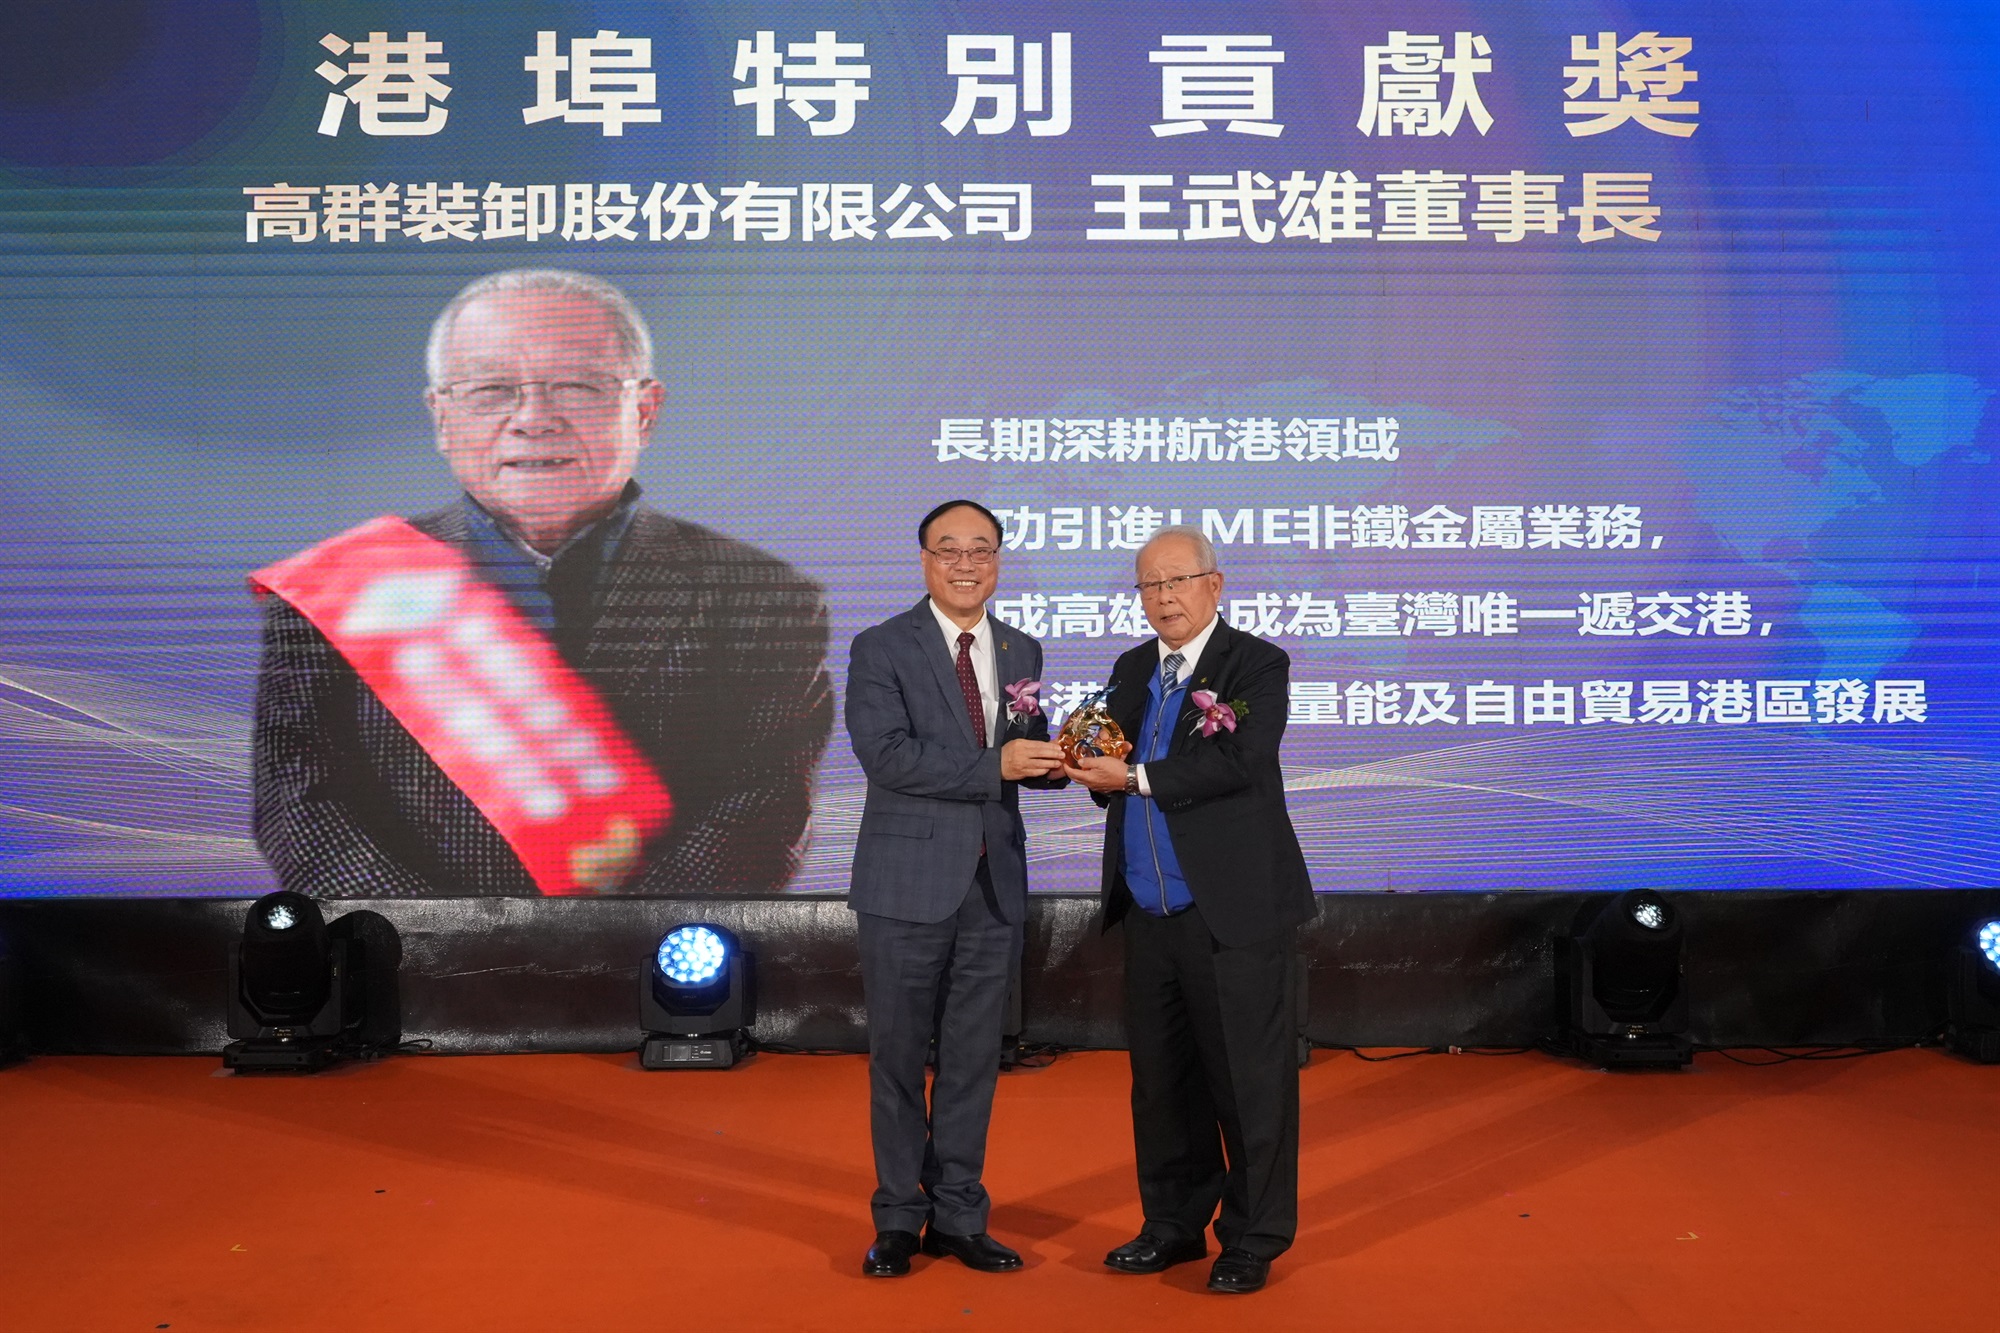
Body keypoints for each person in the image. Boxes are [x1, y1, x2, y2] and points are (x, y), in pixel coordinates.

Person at [252, 268, 831, 897]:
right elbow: (297, 801)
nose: (533, 419)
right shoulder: (342, 587)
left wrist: (609, 946)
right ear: (441, 416)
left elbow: (763, 806)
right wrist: (432, 943)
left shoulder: (763, 595)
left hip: (658, 972)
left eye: (577, 385)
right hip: (408, 967)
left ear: (644, 409)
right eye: (492, 389)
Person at [1063, 525, 1315, 1295]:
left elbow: (1240, 760)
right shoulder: (1133, 667)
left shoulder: (1256, 664)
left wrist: (1132, 775)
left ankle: (1251, 1235)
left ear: (1216, 583)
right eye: (1149, 585)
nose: (1164, 597)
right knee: (1163, 1081)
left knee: (1250, 1080)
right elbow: (1110, 756)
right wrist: (1076, 763)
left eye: (1178, 581)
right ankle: (1172, 1224)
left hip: (1232, 911)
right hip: (1148, 909)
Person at [844, 500, 1068, 1278]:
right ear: (924, 560)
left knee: (975, 1058)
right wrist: (996, 768)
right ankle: (900, 1218)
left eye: (982, 549)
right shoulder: (881, 648)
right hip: (904, 884)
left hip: (994, 883)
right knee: (899, 1058)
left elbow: (1017, 759)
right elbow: (888, 756)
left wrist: (1061, 761)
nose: (966, 563)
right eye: (950, 549)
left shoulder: (1020, 645)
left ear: (999, 560)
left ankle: (962, 1213)